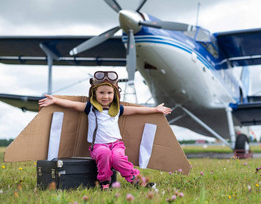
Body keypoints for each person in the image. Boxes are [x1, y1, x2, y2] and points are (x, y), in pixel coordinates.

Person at [39, 70, 172, 190]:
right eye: (101, 93)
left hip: (116, 144)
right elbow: (73, 105)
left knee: (118, 158)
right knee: (104, 154)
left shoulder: (117, 109)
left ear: (114, 94)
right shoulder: (90, 108)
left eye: (109, 93)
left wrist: (155, 109)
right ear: (94, 93)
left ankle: (137, 181)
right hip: (98, 146)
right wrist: (55, 100)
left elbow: (137, 110)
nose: (105, 96)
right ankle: (105, 182)